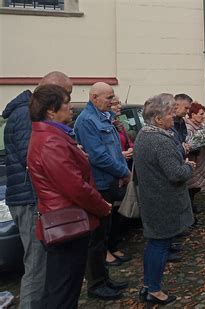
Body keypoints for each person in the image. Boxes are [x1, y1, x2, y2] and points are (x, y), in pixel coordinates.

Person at [27, 84, 111, 309]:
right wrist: (102, 206)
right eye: (66, 102)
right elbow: (75, 187)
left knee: (63, 287)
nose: (71, 106)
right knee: (63, 291)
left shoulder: (54, 136)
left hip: (66, 221)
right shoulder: (51, 141)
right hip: (66, 224)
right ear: (51, 111)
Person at [2, 71, 72, 308]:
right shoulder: (25, 115)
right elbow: (32, 159)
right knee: (36, 263)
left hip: (30, 198)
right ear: (51, 91)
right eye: (67, 95)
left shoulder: (28, 111)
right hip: (29, 199)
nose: (68, 101)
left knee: (41, 261)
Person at [134, 93, 195, 305]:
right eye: (170, 113)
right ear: (158, 119)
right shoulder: (160, 140)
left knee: (155, 243)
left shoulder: (144, 134)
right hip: (163, 201)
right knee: (159, 245)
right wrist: (188, 166)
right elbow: (176, 174)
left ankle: (149, 284)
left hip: (153, 198)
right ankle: (154, 290)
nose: (173, 117)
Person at [74, 82, 130, 300]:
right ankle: (96, 284)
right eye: (108, 97)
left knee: (104, 232)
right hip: (99, 183)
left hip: (110, 180)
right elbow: (97, 156)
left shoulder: (103, 116)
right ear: (94, 97)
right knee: (96, 238)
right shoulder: (87, 121)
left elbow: (114, 149)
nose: (112, 100)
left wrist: (121, 170)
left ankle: (104, 279)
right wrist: (122, 171)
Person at [105, 97, 133, 267]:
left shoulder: (118, 124)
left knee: (116, 213)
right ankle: (105, 250)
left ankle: (113, 245)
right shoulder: (100, 124)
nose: (119, 106)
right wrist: (120, 156)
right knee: (106, 216)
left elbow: (128, 141)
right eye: (115, 103)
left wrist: (130, 149)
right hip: (113, 172)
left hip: (123, 169)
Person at [185, 102, 205, 214]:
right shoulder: (189, 128)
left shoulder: (202, 126)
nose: (203, 116)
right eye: (201, 114)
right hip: (193, 160)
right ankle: (189, 212)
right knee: (191, 187)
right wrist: (202, 141)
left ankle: (191, 206)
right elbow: (189, 145)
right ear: (193, 115)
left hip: (200, 161)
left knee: (196, 187)